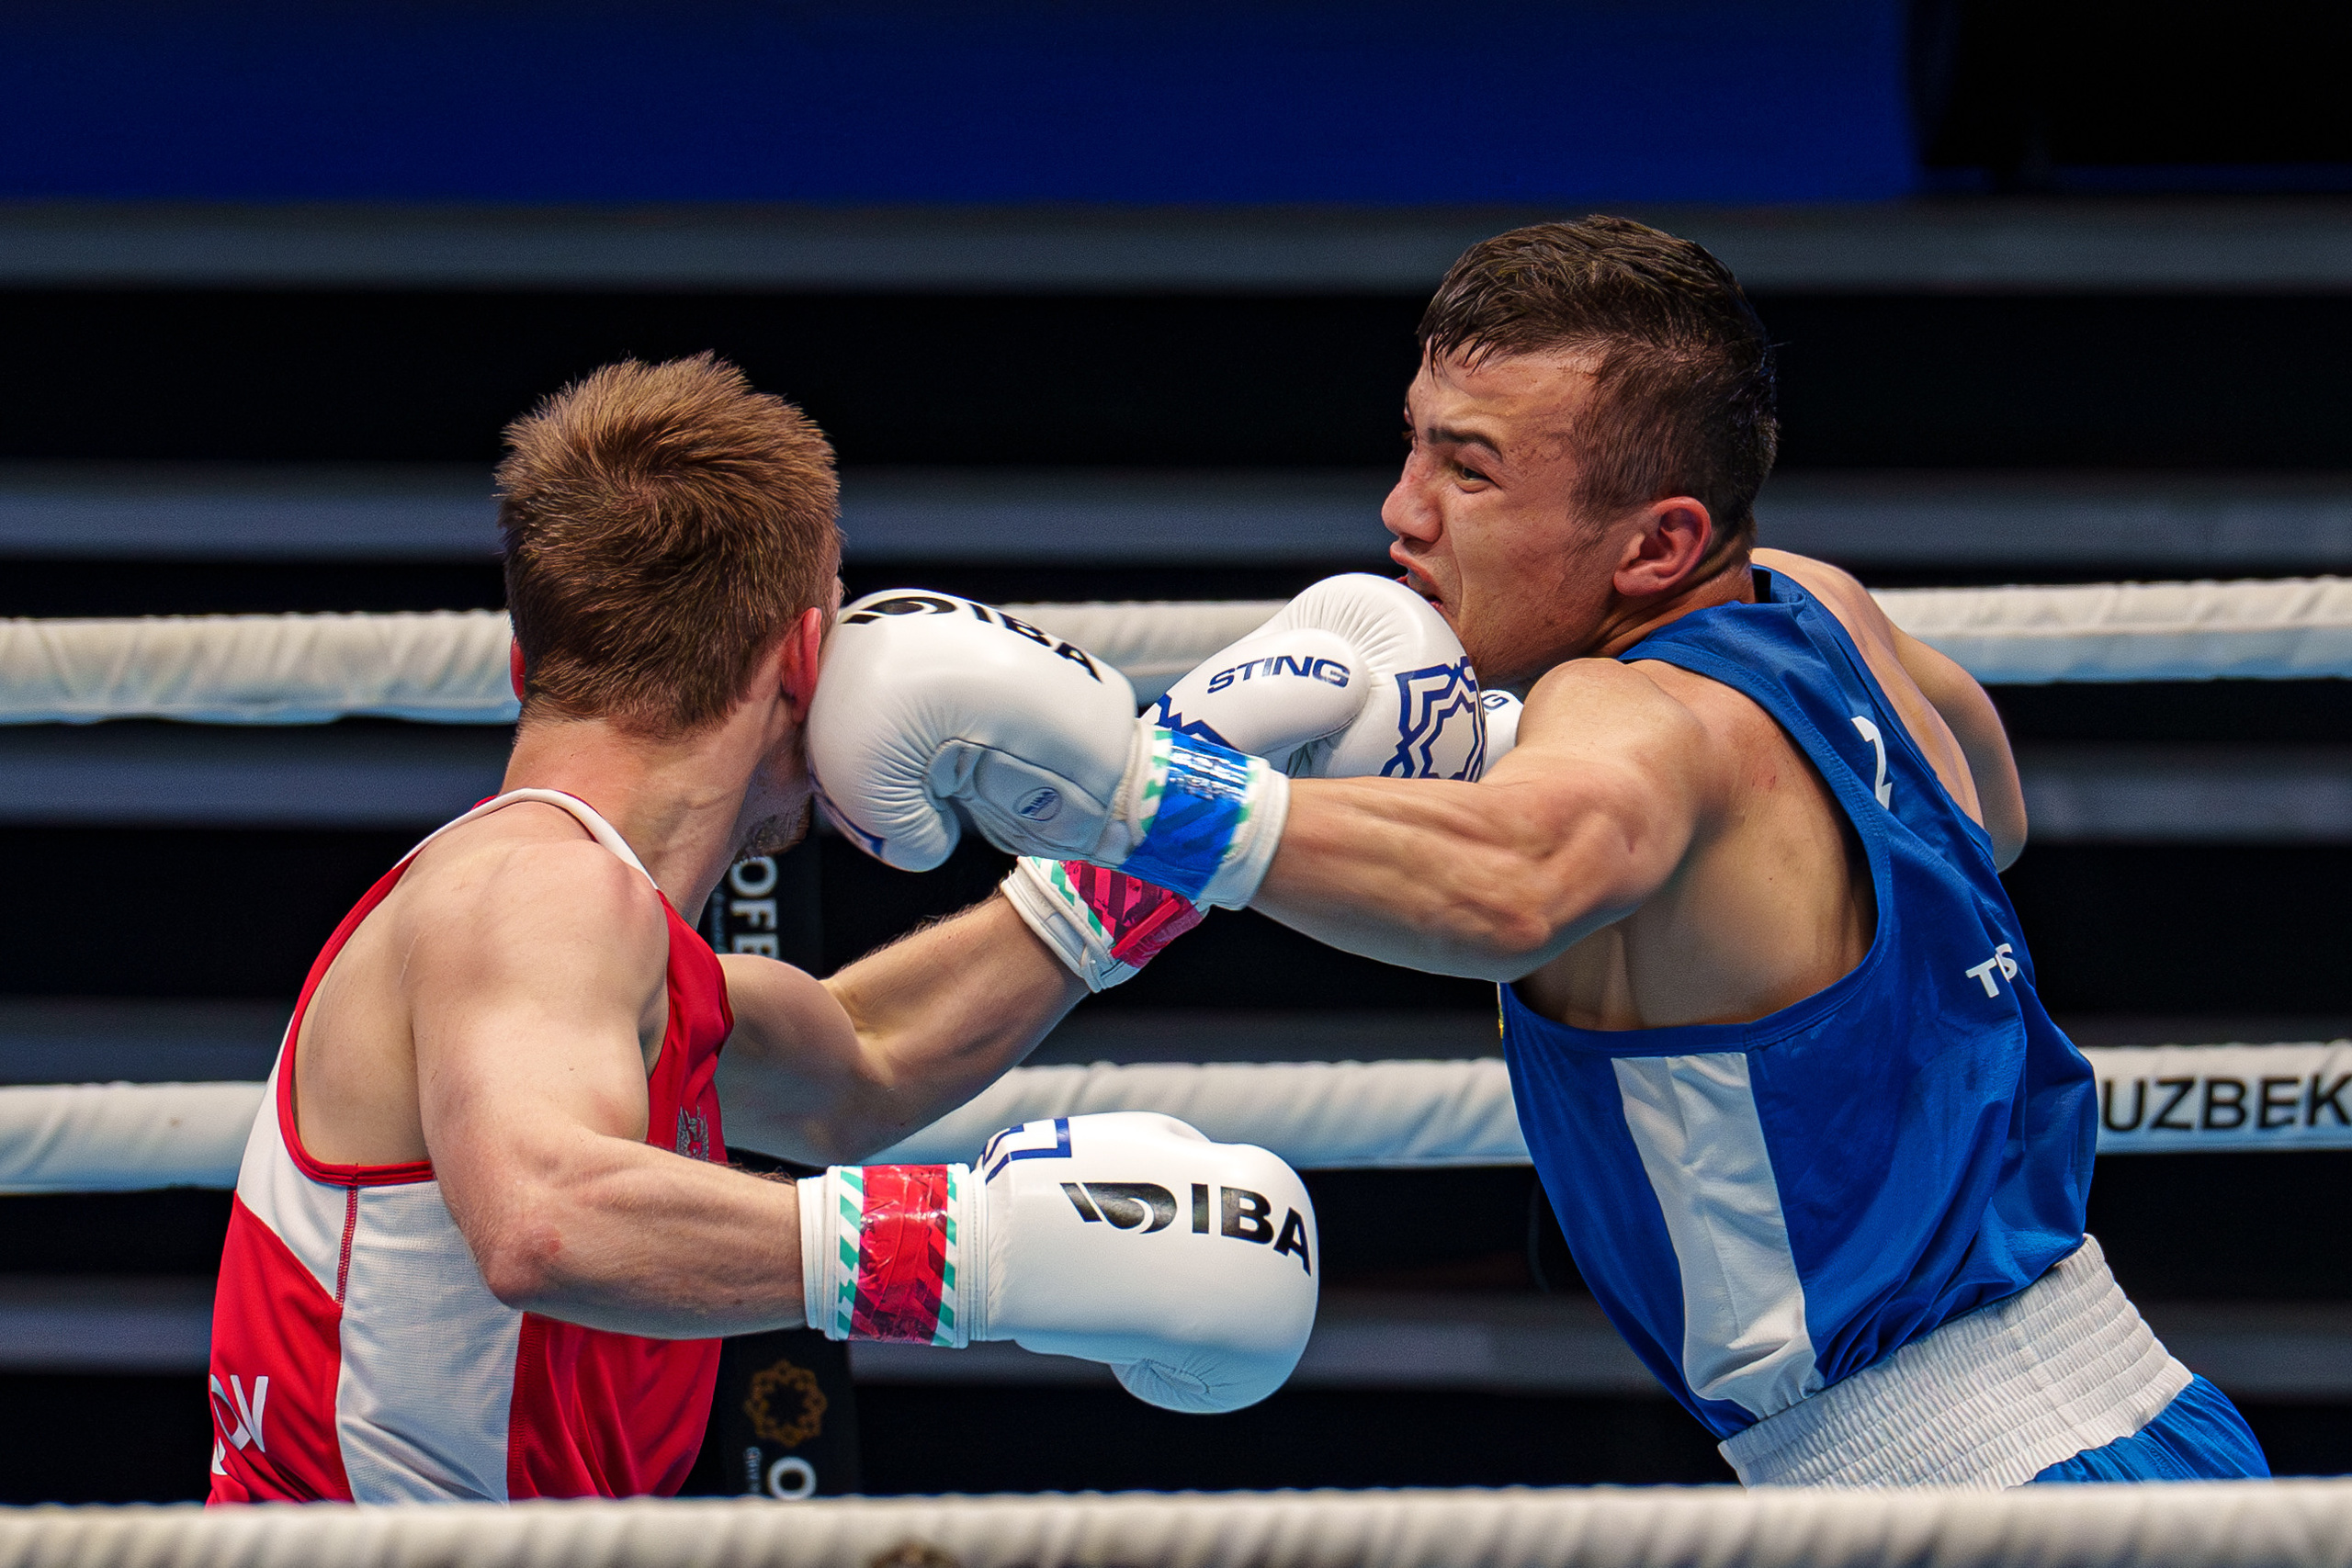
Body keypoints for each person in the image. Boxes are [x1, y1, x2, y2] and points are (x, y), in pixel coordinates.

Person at [811, 219, 2271, 1488]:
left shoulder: (1631, 719)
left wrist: (1127, 789)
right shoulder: (1816, 605)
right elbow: (1983, 813)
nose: (1401, 509)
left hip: (1962, 1491)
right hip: (2151, 1412)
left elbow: (1518, 882)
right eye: (1413, 439)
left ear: (1656, 545)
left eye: (1472, 470)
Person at [203, 354, 1317, 1505]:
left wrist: (1171, 820)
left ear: (528, 661)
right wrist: (965, 1253)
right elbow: (546, 1216)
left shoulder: (603, 942)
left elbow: (863, 1065)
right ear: (802, 658)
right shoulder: (536, 891)